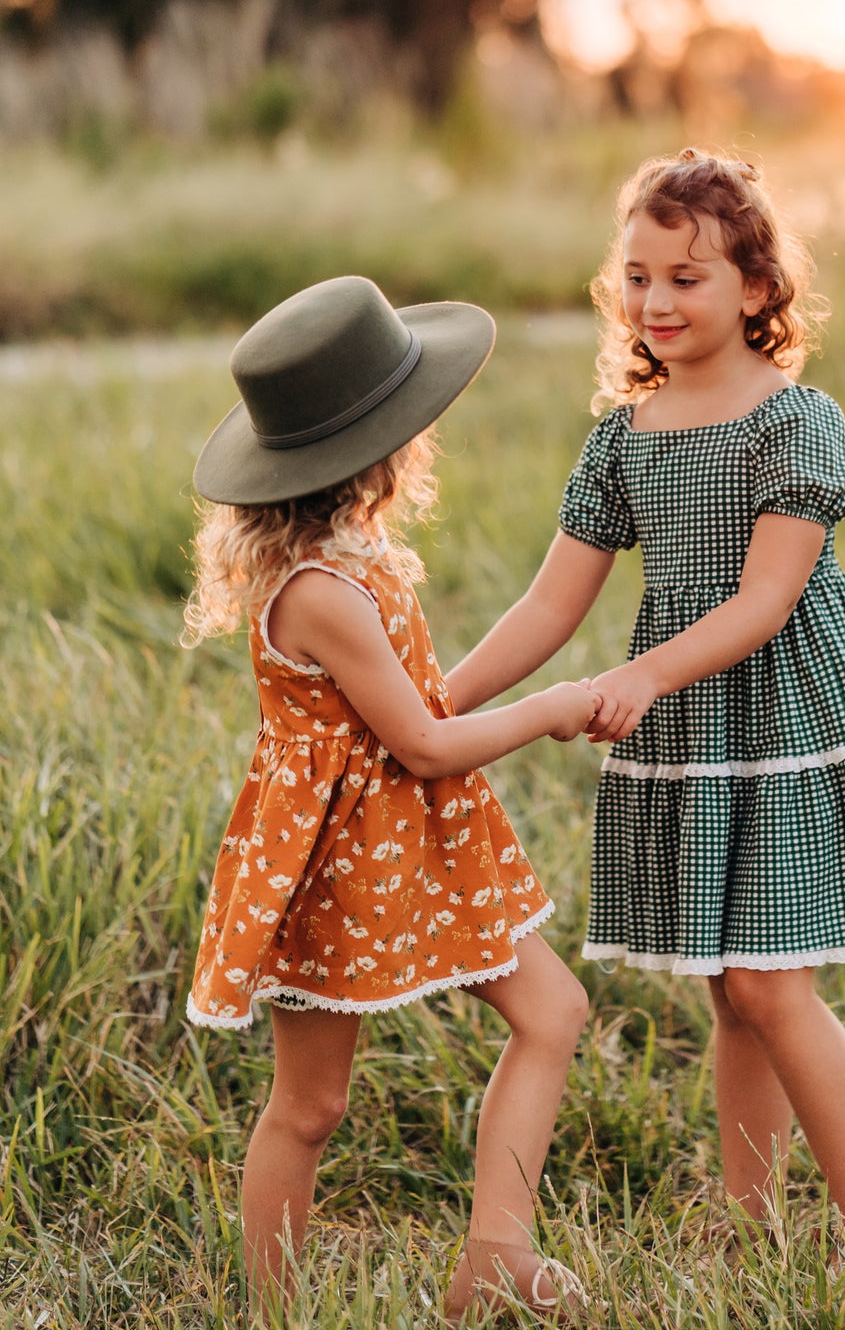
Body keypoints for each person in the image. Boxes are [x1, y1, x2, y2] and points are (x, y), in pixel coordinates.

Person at [447, 150, 845, 1256]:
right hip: (692, 733)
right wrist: (439, 705)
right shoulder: (623, 437)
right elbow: (550, 602)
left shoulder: (795, 423)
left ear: (758, 289)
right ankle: (747, 1215)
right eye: (638, 276)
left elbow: (766, 599)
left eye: (688, 277)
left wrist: (645, 675)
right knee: (728, 987)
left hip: (789, 716)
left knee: (767, 979)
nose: (656, 301)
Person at [183, 275, 595, 1325]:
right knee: (311, 1104)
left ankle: (495, 1253)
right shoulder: (319, 593)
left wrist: (493, 702)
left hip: (417, 840)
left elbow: (415, 714)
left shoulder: (349, 563)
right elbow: (418, 741)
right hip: (332, 862)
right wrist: (552, 706)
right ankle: (273, 1311)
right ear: (379, 448)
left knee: (551, 1011)